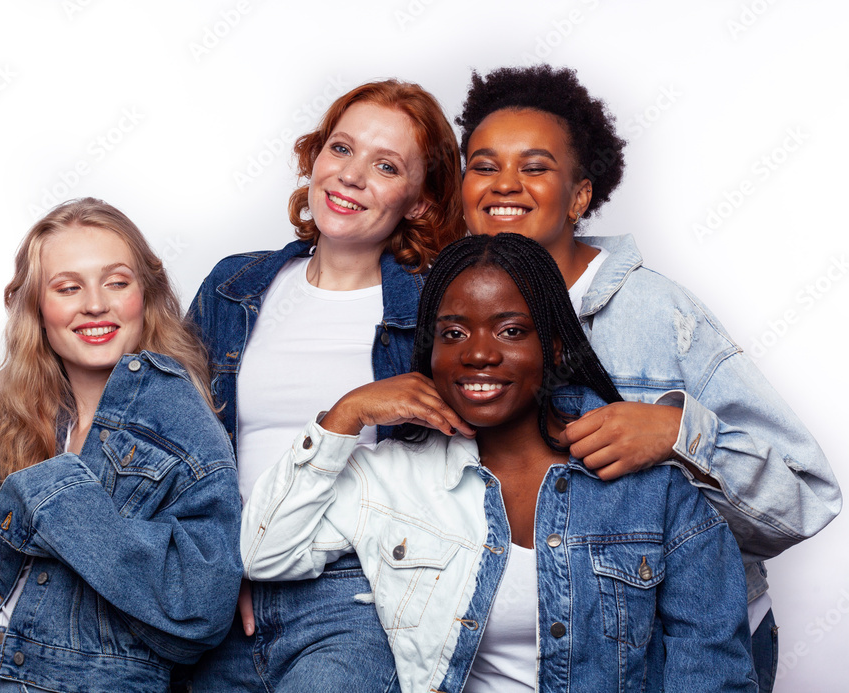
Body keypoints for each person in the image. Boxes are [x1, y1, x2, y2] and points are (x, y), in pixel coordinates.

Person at [455, 64, 842, 692]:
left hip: (676, 656)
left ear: (579, 195)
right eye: (484, 164)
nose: (506, 185)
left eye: (535, 166)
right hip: (500, 659)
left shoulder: (660, 316)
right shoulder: (434, 318)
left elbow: (806, 498)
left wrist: (677, 435)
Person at [242, 233, 758, 692]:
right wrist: (346, 413)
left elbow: (715, 672)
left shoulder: (653, 491)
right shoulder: (389, 476)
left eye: (510, 331)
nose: (479, 354)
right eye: (453, 333)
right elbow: (265, 555)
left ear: (554, 346)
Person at [0, 198, 242, 693]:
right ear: (36, 309)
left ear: (145, 295)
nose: (95, 303)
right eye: (68, 288)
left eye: (117, 282)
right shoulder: (28, 423)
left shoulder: (179, 415)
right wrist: (12, 378)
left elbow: (201, 607)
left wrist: (56, 495)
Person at [187, 79, 465, 691]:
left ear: (419, 202)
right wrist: (216, 565)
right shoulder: (236, 286)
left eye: (386, 165)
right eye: (341, 149)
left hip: (357, 596)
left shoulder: (439, 310)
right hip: (227, 599)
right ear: (315, 159)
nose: (351, 176)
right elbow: (181, 446)